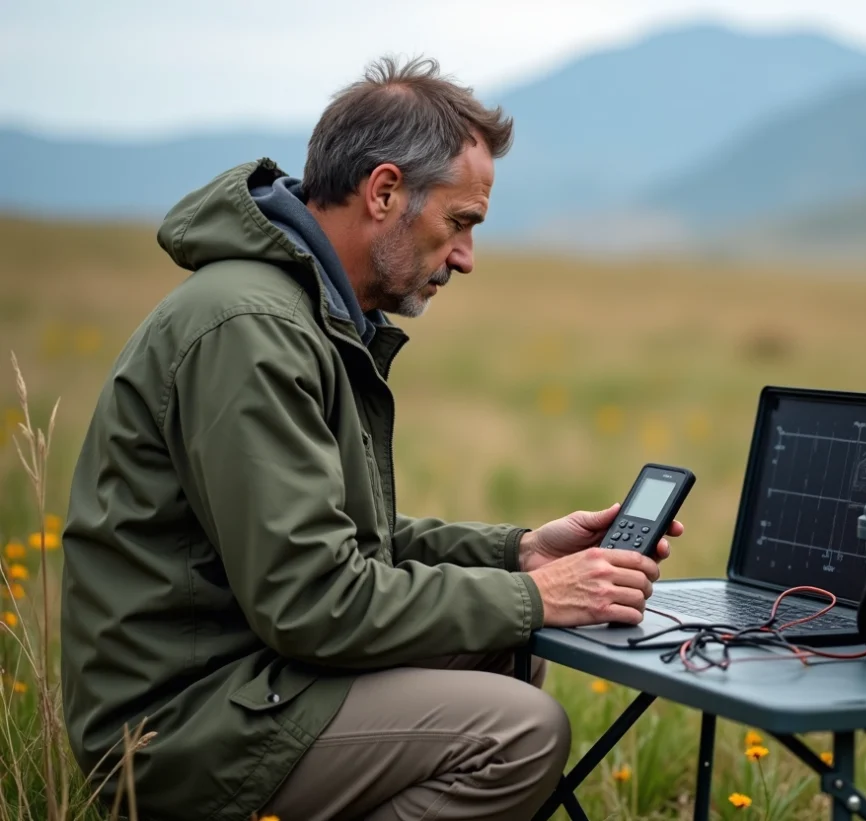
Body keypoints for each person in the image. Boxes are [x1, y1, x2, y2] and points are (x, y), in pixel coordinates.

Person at [60, 55, 681, 821]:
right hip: (177, 726)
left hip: (246, 675)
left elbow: (350, 545)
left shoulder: (307, 314)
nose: (466, 258)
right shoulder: (251, 330)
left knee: (498, 644)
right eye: (459, 223)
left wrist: (518, 554)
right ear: (385, 192)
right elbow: (311, 598)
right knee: (519, 732)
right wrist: (532, 596)